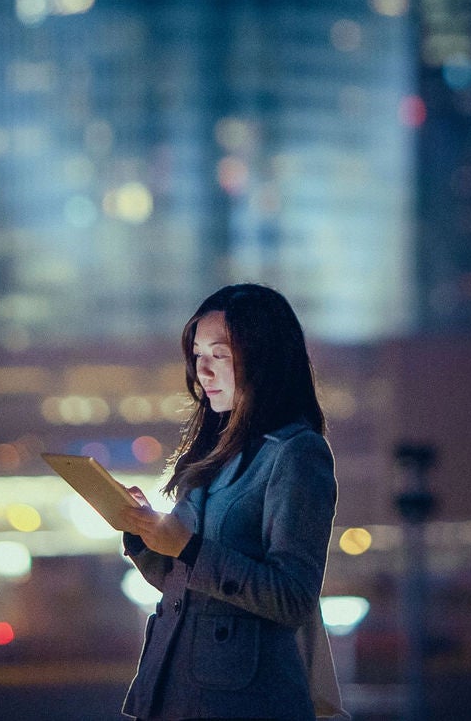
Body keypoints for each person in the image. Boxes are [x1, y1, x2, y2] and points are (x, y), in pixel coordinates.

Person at [110, 283, 345, 721]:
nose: (203, 372)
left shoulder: (295, 453)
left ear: (265, 360)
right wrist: (143, 536)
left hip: (245, 700)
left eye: (219, 355)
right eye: (197, 355)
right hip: (173, 692)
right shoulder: (210, 449)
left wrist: (189, 546)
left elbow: (293, 597)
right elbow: (185, 585)